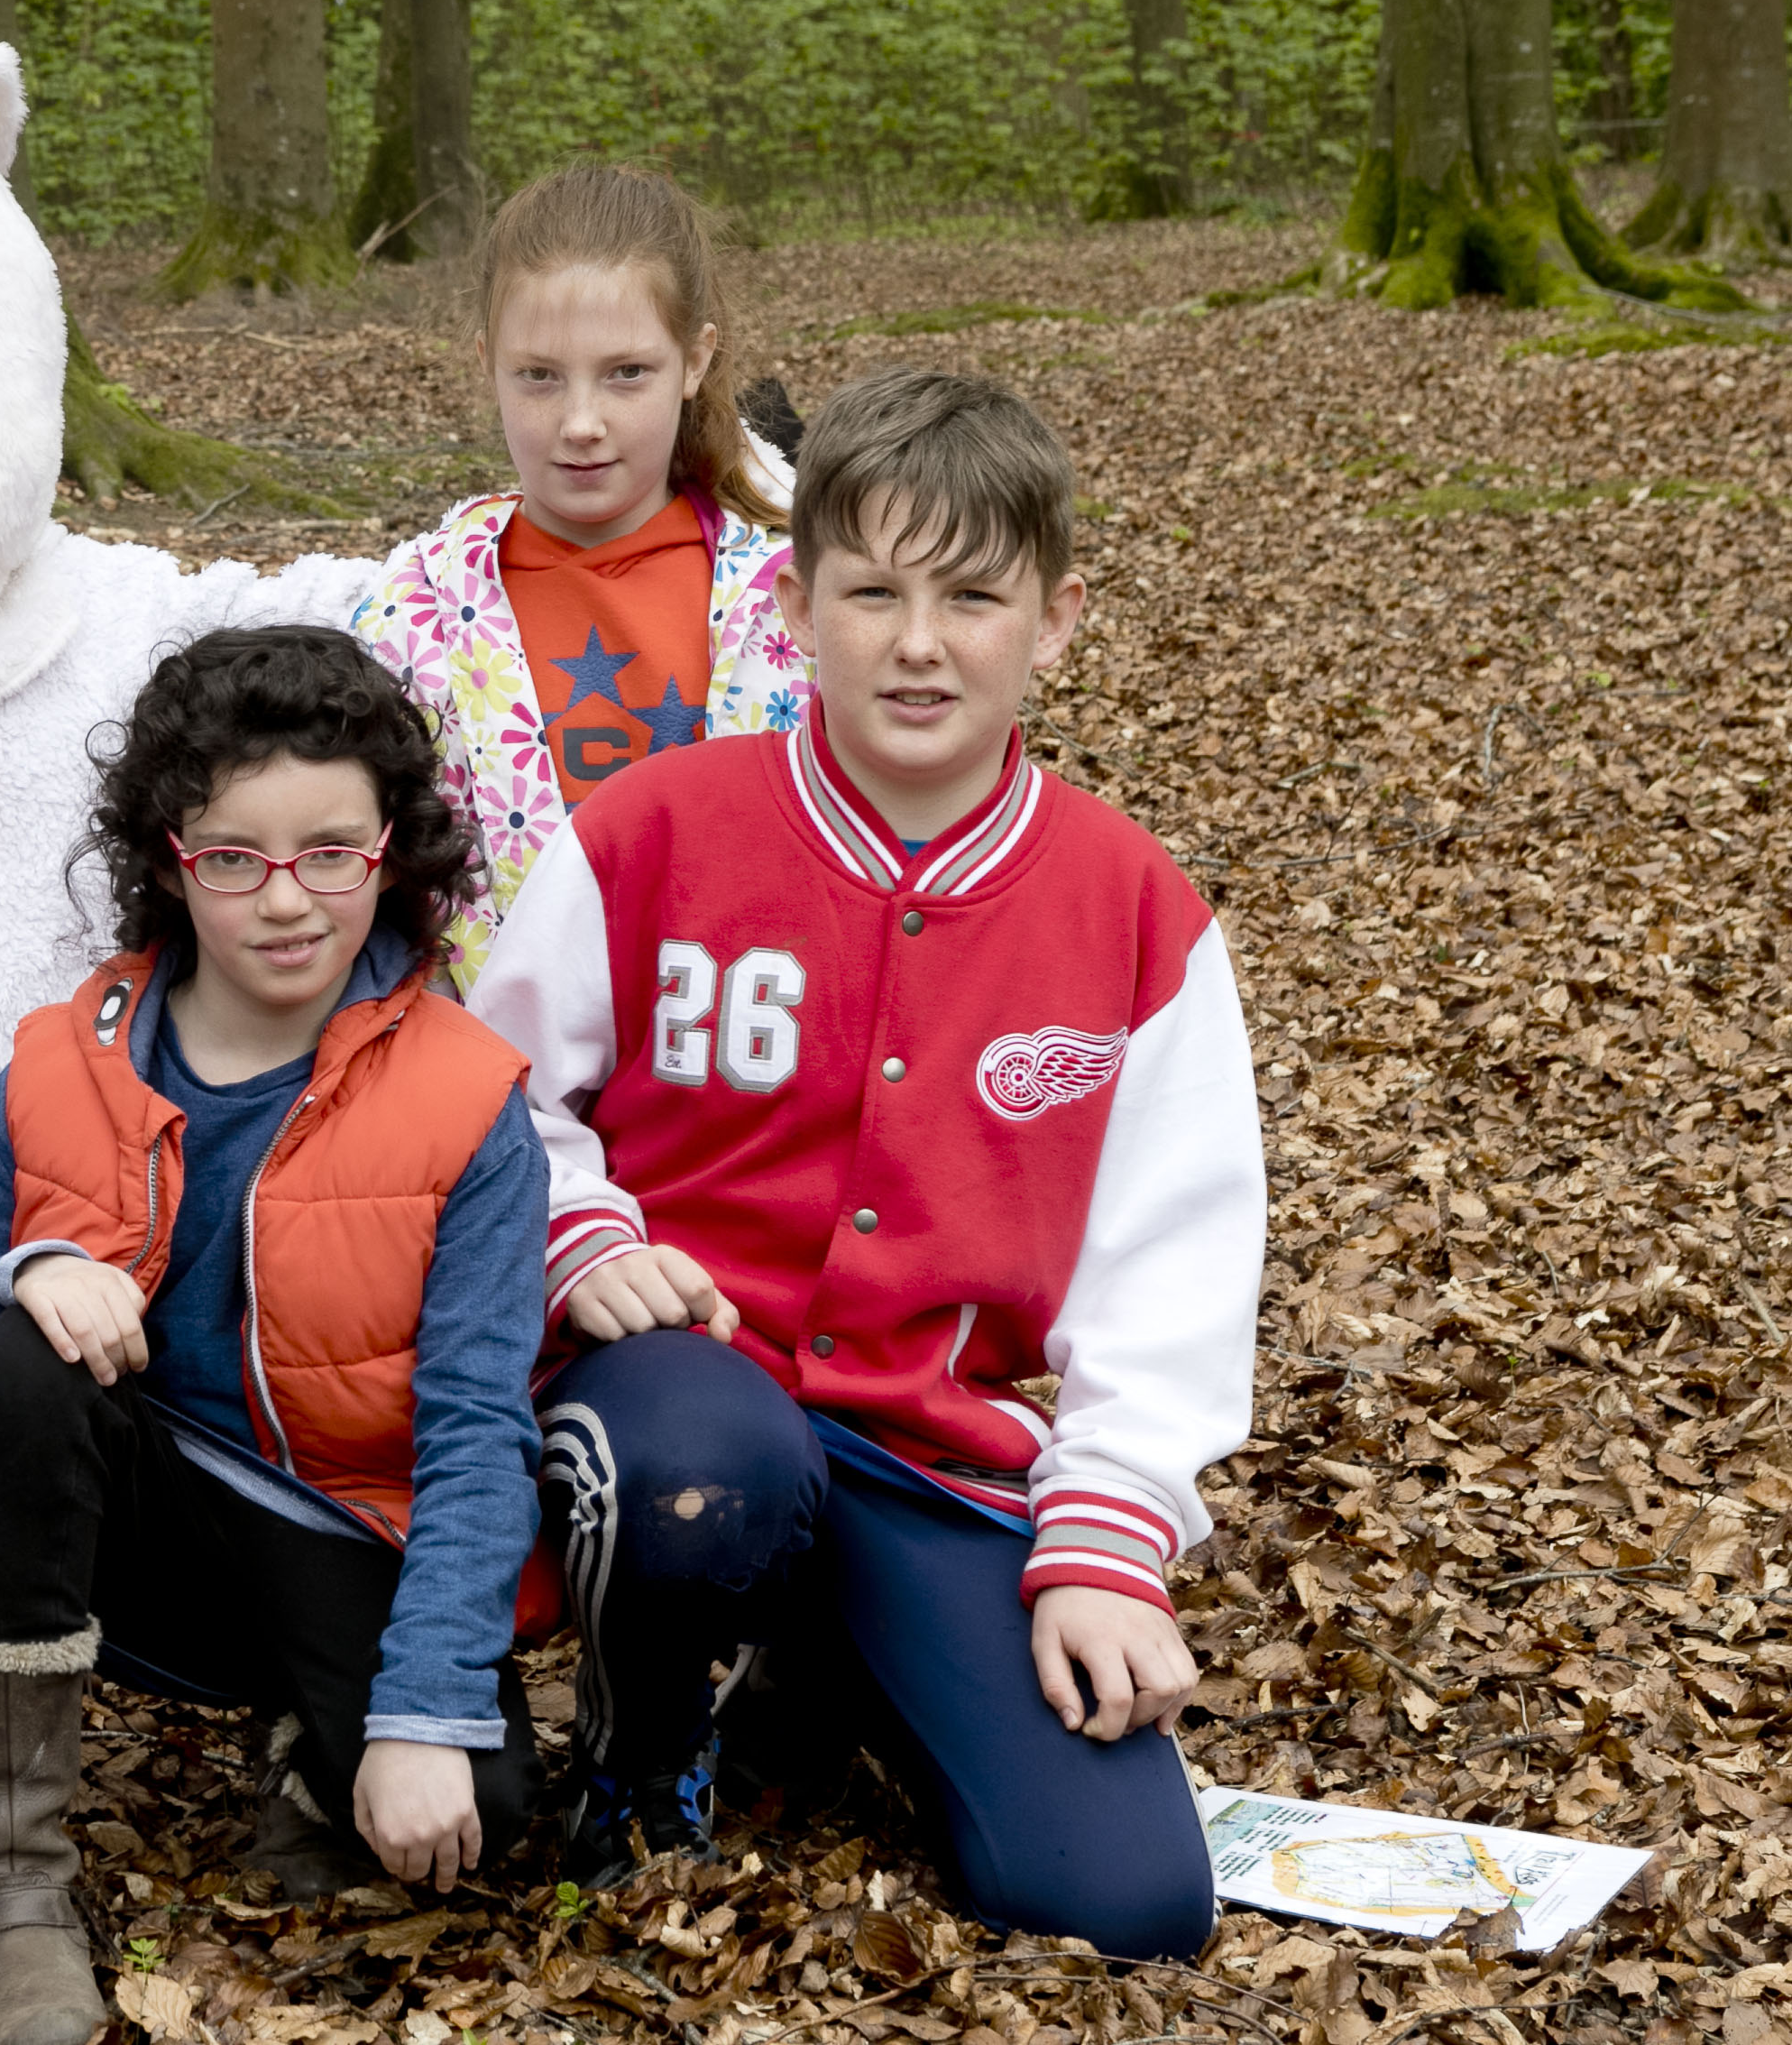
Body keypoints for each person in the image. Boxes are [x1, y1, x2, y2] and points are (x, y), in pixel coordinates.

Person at [470, 365, 1263, 1956]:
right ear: (795, 599)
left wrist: (1109, 1541)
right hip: (676, 1395)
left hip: (928, 1446)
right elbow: (490, 1103)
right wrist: (584, 1230)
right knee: (708, 1472)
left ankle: (817, 1668)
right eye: (873, 591)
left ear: (1054, 619)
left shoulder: (1129, 908)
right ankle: (645, 1747)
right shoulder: (652, 832)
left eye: (972, 597)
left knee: (1123, 1900)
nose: (917, 641)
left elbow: (1170, 1264)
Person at [0, 626, 555, 2045]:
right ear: (172, 858)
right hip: (116, 1530)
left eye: (329, 853)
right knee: (21, 1360)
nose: (284, 899)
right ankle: (8, 1883)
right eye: (234, 856)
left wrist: (424, 1710)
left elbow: (475, 1431)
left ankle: (326, 1746)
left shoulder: (464, 1100)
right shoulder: (61, 1067)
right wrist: (27, 1270)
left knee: (474, 1812)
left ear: (390, 852)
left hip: (329, 1538)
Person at [356, 163, 810, 982]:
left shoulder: (792, 598)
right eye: (538, 377)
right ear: (489, 362)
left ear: (696, 361)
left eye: (626, 372)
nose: (581, 423)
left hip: (745, 1068)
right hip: (498, 1072)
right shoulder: (417, 610)